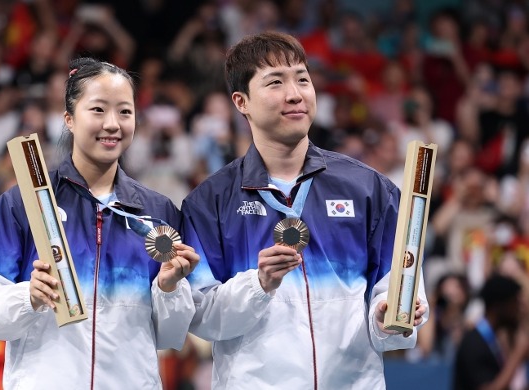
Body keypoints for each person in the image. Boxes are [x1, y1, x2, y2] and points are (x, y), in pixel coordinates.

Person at [181, 31, 429, 389]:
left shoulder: (368, 188)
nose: (295, 94)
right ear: (241, 101)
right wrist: (259, 283)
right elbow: (202, 316)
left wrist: (389, 316)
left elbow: (396, 290)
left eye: (302, 79)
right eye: (275, 82)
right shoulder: (209, 203)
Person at [0, 58, 199, 389]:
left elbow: (170, 335)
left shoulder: (158, 213)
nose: (113, 124)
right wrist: (28, 296)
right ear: (69, 119)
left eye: (125, 112)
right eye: (98, 110)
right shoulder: (21, 204)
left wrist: (169, 288)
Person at [453, 273, 529, 390]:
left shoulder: (495, 341)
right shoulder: (473, 344)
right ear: (499, 306)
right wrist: (518, 354)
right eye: (514, 303)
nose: (518, 310)